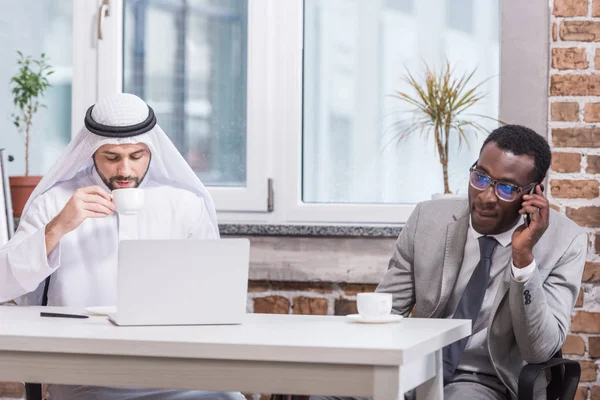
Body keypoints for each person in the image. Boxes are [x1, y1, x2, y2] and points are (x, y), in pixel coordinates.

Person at [314, 125, 587, 400]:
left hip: (487, 382)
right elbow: (387, 310)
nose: (485, 196)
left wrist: (523, 258)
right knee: (325, 394)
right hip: (414, 368)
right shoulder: (428, 219)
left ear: (533, 194)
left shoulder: (564, 243)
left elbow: (539, 349)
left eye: (506, 188)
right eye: (480, 177)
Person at [0, 93, 244, 400]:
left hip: (178, 377)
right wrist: (59, 226)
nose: (125, 170)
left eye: (136, 156)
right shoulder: (55, 202)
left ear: (151, 150)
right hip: (85, 381)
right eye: (112, 157)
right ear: (91, 152)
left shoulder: (184, 204)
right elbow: (3, 284)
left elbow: (213, 298)